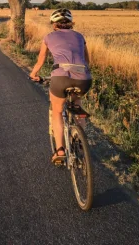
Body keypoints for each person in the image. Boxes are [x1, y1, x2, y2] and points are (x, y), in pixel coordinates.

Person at [29, 8, 92, 164]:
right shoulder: (79, 36)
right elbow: (87, 61)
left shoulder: (49, 37)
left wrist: (33, 74)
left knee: (57, 111)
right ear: (70, 23)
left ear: (53, 24)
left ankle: (60, 150)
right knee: (78, 105)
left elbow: (41, 60)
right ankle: (79, 140)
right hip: (83, 78)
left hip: (60, 78)